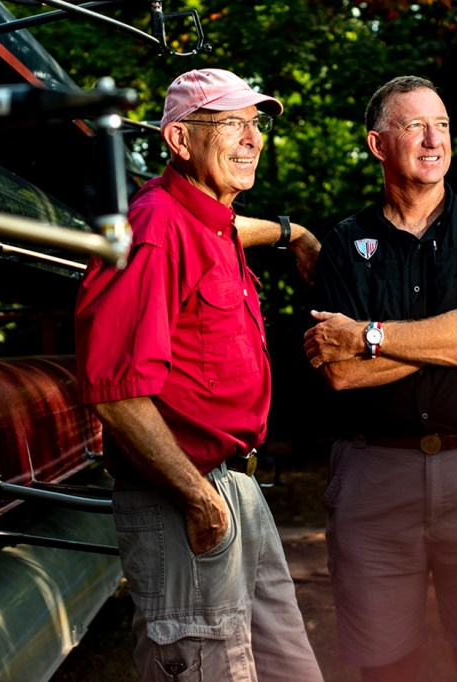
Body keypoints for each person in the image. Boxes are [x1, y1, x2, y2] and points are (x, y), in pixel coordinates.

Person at [75, 68, 324, 682]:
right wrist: (197, 497)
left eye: (256, 124)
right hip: (186, 496)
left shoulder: (210, 222)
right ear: (180, 140)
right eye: (233, 124)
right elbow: (115, 392)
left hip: (237, 487)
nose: (253, 139)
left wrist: (294, 234)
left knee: (287, 667)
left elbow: (234, 227)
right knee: (209, 668)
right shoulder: (155, 229)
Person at [303, 75, 457, 682]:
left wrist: (368, 335)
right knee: (385, 666)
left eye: (443, 125)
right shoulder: (345, 243)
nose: (435, 140)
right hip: (374, 477)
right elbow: (341, 373)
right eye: (415, 126)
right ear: (378, 144)